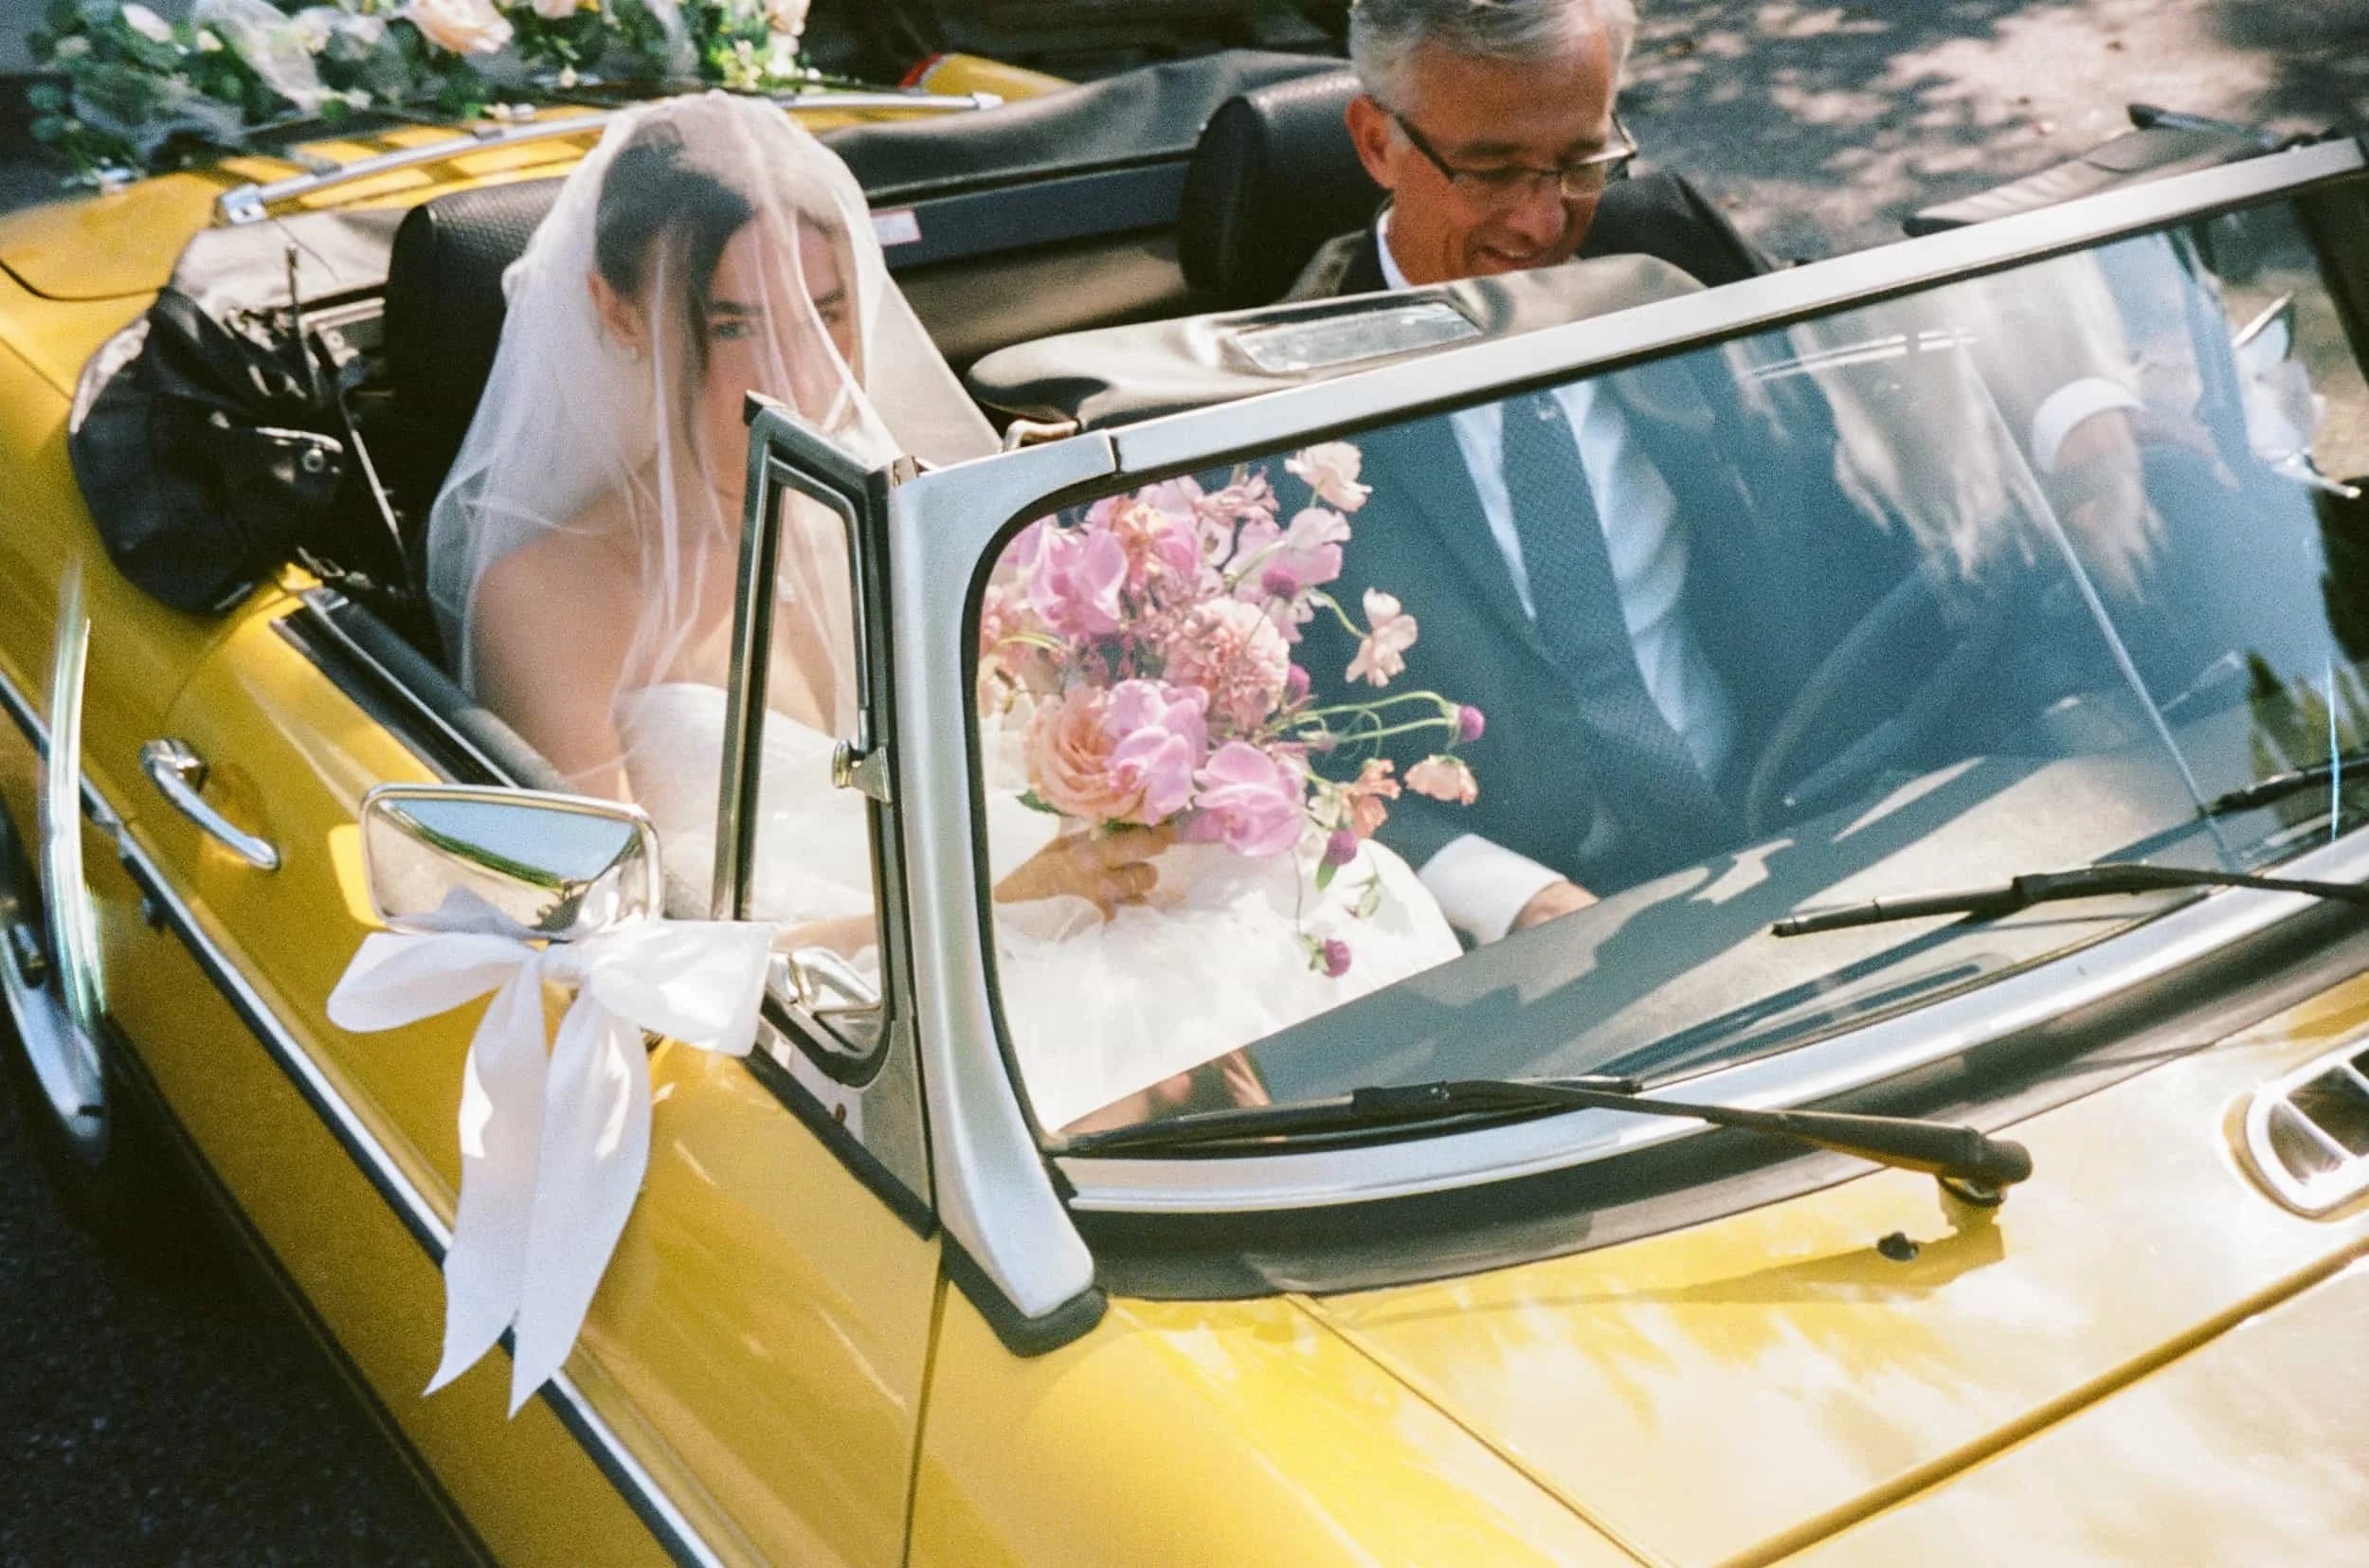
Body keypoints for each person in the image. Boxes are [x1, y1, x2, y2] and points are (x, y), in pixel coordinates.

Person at [428, 94, 1460, 1133]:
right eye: (732, 323)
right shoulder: (549, 594)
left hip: (1047, 919)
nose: (796, 371)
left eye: (824, 313)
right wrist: (988, 899)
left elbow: (1015, 755)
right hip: (825, 1033)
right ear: (616, 311)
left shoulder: (915, 510)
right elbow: (627, 957)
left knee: (1322, 917)